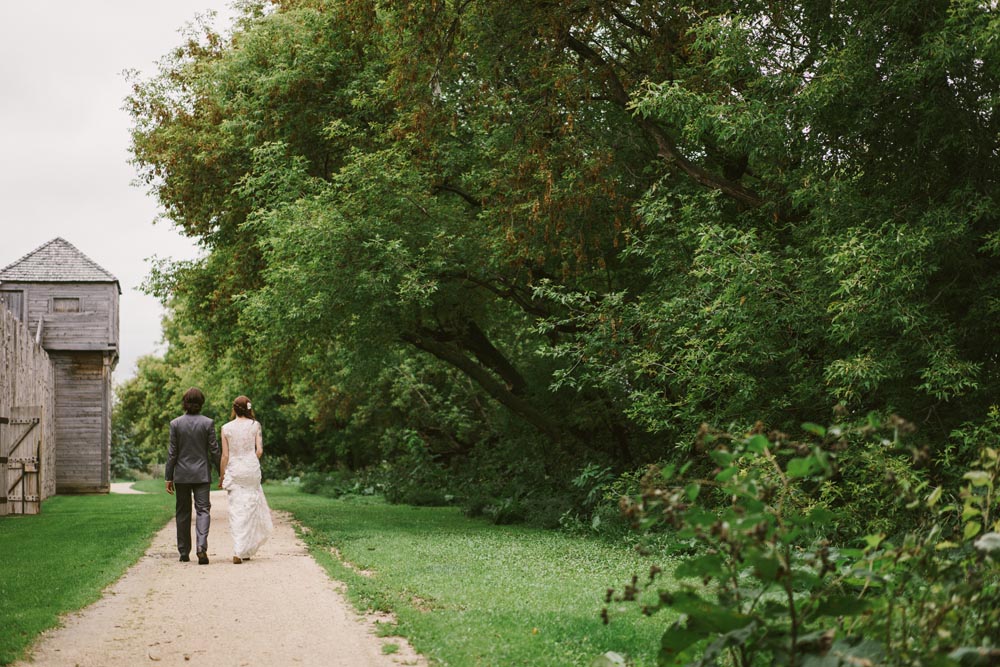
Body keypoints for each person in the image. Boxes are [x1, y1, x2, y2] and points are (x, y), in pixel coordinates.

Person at [165, 387, 221, 565]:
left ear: (184, 403)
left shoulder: (175, 424)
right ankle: (201, 547)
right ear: (201, 402)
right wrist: (222, 473)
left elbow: (172, 453)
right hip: (202, 475)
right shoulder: (208, 423)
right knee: (203, 510)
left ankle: (183, 552)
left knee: (183, 513)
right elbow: (214, 451)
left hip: (181, 474)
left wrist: (169, 476)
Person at [219, 395, 273, 563]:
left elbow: (225, 455)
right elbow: (259, 451)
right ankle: (245, 549)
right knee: (250, 507)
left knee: (237, 508)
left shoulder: (226, 428)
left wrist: (222, 476)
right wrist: (251, 461)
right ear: (249, 408)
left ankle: (240, 549)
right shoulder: (255, 425)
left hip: (235, 469)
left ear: (234, 409)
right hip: (250, 468)